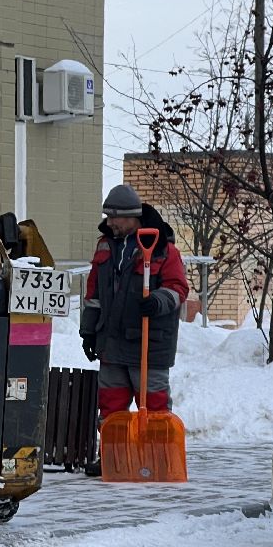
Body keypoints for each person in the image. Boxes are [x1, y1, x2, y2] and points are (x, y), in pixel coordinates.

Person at [79, 183, 189, 471]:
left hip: (149, 343)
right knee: (111, 403)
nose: (109, 223)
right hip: (112, 341)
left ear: (131, 217)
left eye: (114, 217)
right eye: (108, 217)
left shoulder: (164, 249)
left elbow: (178, 288)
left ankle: (158, 459)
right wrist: (88, 331)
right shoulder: (105, 245)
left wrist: (158, 301)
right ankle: (113, 458)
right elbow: (94, 293)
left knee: (153, 404)